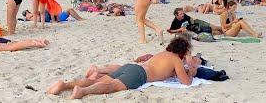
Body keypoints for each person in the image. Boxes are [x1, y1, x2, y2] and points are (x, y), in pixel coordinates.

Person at [47, 36, 195, 99]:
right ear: (182, 52)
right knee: (110, 87)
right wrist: (192, 72)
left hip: (132, 67)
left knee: (95, 81)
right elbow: (186, 82)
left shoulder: (163, 53)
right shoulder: (176, 60)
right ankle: (82, 91)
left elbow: (164, 71)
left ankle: (64, 85)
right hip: (139, 75)